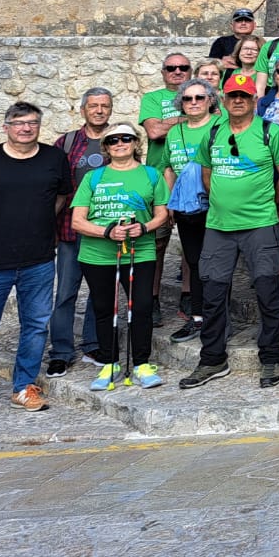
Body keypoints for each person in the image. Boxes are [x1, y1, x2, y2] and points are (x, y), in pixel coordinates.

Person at [0, 102, 73, 423]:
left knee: (35, 327)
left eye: (32, 123)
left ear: (39, 126)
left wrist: (39, 226)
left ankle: (23, 387)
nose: (26, 128)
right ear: (6, 126)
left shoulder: (54, 158)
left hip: (38, 260)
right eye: (19, 123)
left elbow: (60, 199)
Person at [179, 73, 279, 391]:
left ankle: (271, 356)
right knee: (213, 294)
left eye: (244, 95)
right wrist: (221, 203)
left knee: (268, 293)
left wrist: (265, 205)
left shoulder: (271, 132)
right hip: (218, 227)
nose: (239, 100)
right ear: (225, 99)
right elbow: (206, 172)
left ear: (254, 100)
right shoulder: (214, 131)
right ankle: (213, 359)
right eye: (233, 95)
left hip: (260, 226)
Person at [70, 122, 170, 390]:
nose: (120, 144)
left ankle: (141, 363)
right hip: (98, 255)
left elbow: (162, 213)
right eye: (113, 140)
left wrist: (145, 227)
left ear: (136, 143)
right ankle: (109, 363)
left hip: (141, 251)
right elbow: (77, 221)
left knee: (142, 308)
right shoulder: (93, 177)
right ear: (106, 147)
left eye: (126, 138)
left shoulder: (151, 175)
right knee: (104, 309)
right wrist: (107, 232)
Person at [46, 88, 111, 379]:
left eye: (104, 106)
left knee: (101, 292)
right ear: (82, 110)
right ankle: (60, 351)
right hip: (70, 230)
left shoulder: (119, 139)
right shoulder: (67, 142)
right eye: (93, 106)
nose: (99, 110)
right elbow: (52, 184)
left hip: (105, 231)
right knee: (65, 293)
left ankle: (94, 344)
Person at [161, 79, 217, 343]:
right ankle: (197, 318)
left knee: (215, 263)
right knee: (193, 261)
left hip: (215, 206)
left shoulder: (220, 127)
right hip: (186, 207)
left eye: (199, 97)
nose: (193, 102)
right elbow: (169, 168)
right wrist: (169, 204)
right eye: (187, 98)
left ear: (210, 101)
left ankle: (216, 319)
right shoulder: (174, 133)